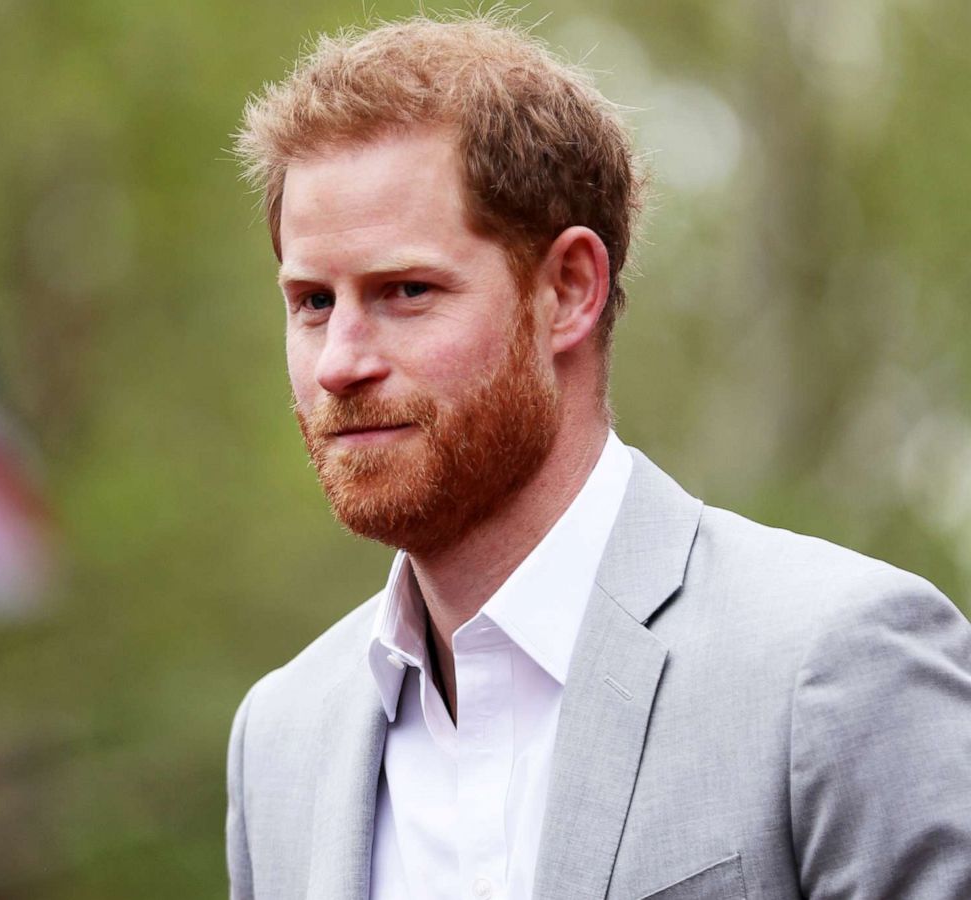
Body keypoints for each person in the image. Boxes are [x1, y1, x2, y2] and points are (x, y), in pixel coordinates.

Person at [225, 14, 971, 900]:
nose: (340, 361)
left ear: (568, 291)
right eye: (312, 302)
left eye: (406, 291)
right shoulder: (279, 739)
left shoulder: (836, 666)